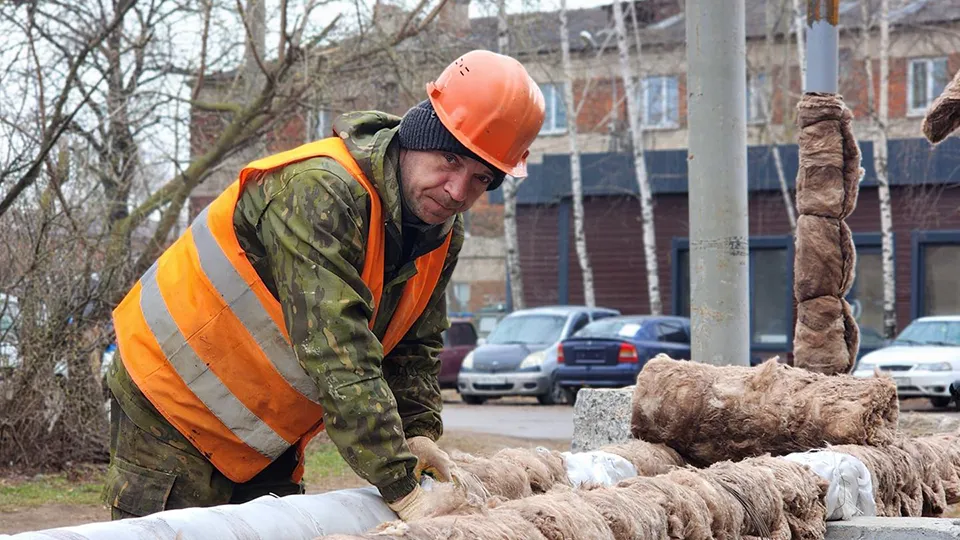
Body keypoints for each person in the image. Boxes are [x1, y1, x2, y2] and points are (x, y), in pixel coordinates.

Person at [101, 49, 545, 522]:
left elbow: (415, 346)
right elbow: (338, 351)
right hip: (172, 396)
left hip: (263, 422)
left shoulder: (442, 234)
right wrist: (401, 485)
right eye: (449, 159)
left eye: (480, 178)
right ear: (417, 135)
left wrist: (416, 436)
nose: (457, 191)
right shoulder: (320, 190)